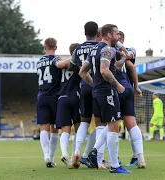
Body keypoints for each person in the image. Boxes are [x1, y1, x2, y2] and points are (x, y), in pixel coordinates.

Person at [79, 24, 131, 173]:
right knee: (114, 126)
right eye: (115, 34)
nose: (118, 37)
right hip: (107, 91)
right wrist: (118, 85)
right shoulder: (107, 49)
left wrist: (94, 85)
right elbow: (104, 70)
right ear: (108, 35)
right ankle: (115, 166)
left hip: (99, 92)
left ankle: (94, 152)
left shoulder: (94, 49)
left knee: (111, 125)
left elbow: (82, 72)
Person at [70, 22, 106, 169]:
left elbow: (73, 66)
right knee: (100, 123)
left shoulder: (78, 49)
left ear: (84, 32)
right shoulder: (99, 46)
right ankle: (99, 159)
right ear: (97, 33)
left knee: (84, 121)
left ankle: (77, 152)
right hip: (97, 86)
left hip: (84, 86)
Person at [115, 31, 145, 168]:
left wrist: (136, 87)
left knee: (112, 124)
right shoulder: (118, 51)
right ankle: (139, 157)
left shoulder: (125, 51)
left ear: (123, 39)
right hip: (127, 89)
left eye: (120, 38)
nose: (118, 40)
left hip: (117, 89)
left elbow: (131, 65)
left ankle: (113, 158)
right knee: (130, 124)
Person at [55, 43, 82, 168]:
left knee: (65, 129)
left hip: (62, 97)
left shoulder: (63, 64)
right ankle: (75, 154)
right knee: (77, 127)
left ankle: (65, 154)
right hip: (75, 96)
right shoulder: (78, 64)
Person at [36, 37, 61, 168]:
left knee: (44, 127)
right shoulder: (56, 59)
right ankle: (51, 158)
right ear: (56, 48)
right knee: (55, 129)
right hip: (55, 96)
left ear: (44, 47)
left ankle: (46, 155)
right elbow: (60, 66)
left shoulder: (39, 62)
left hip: (41, 96)